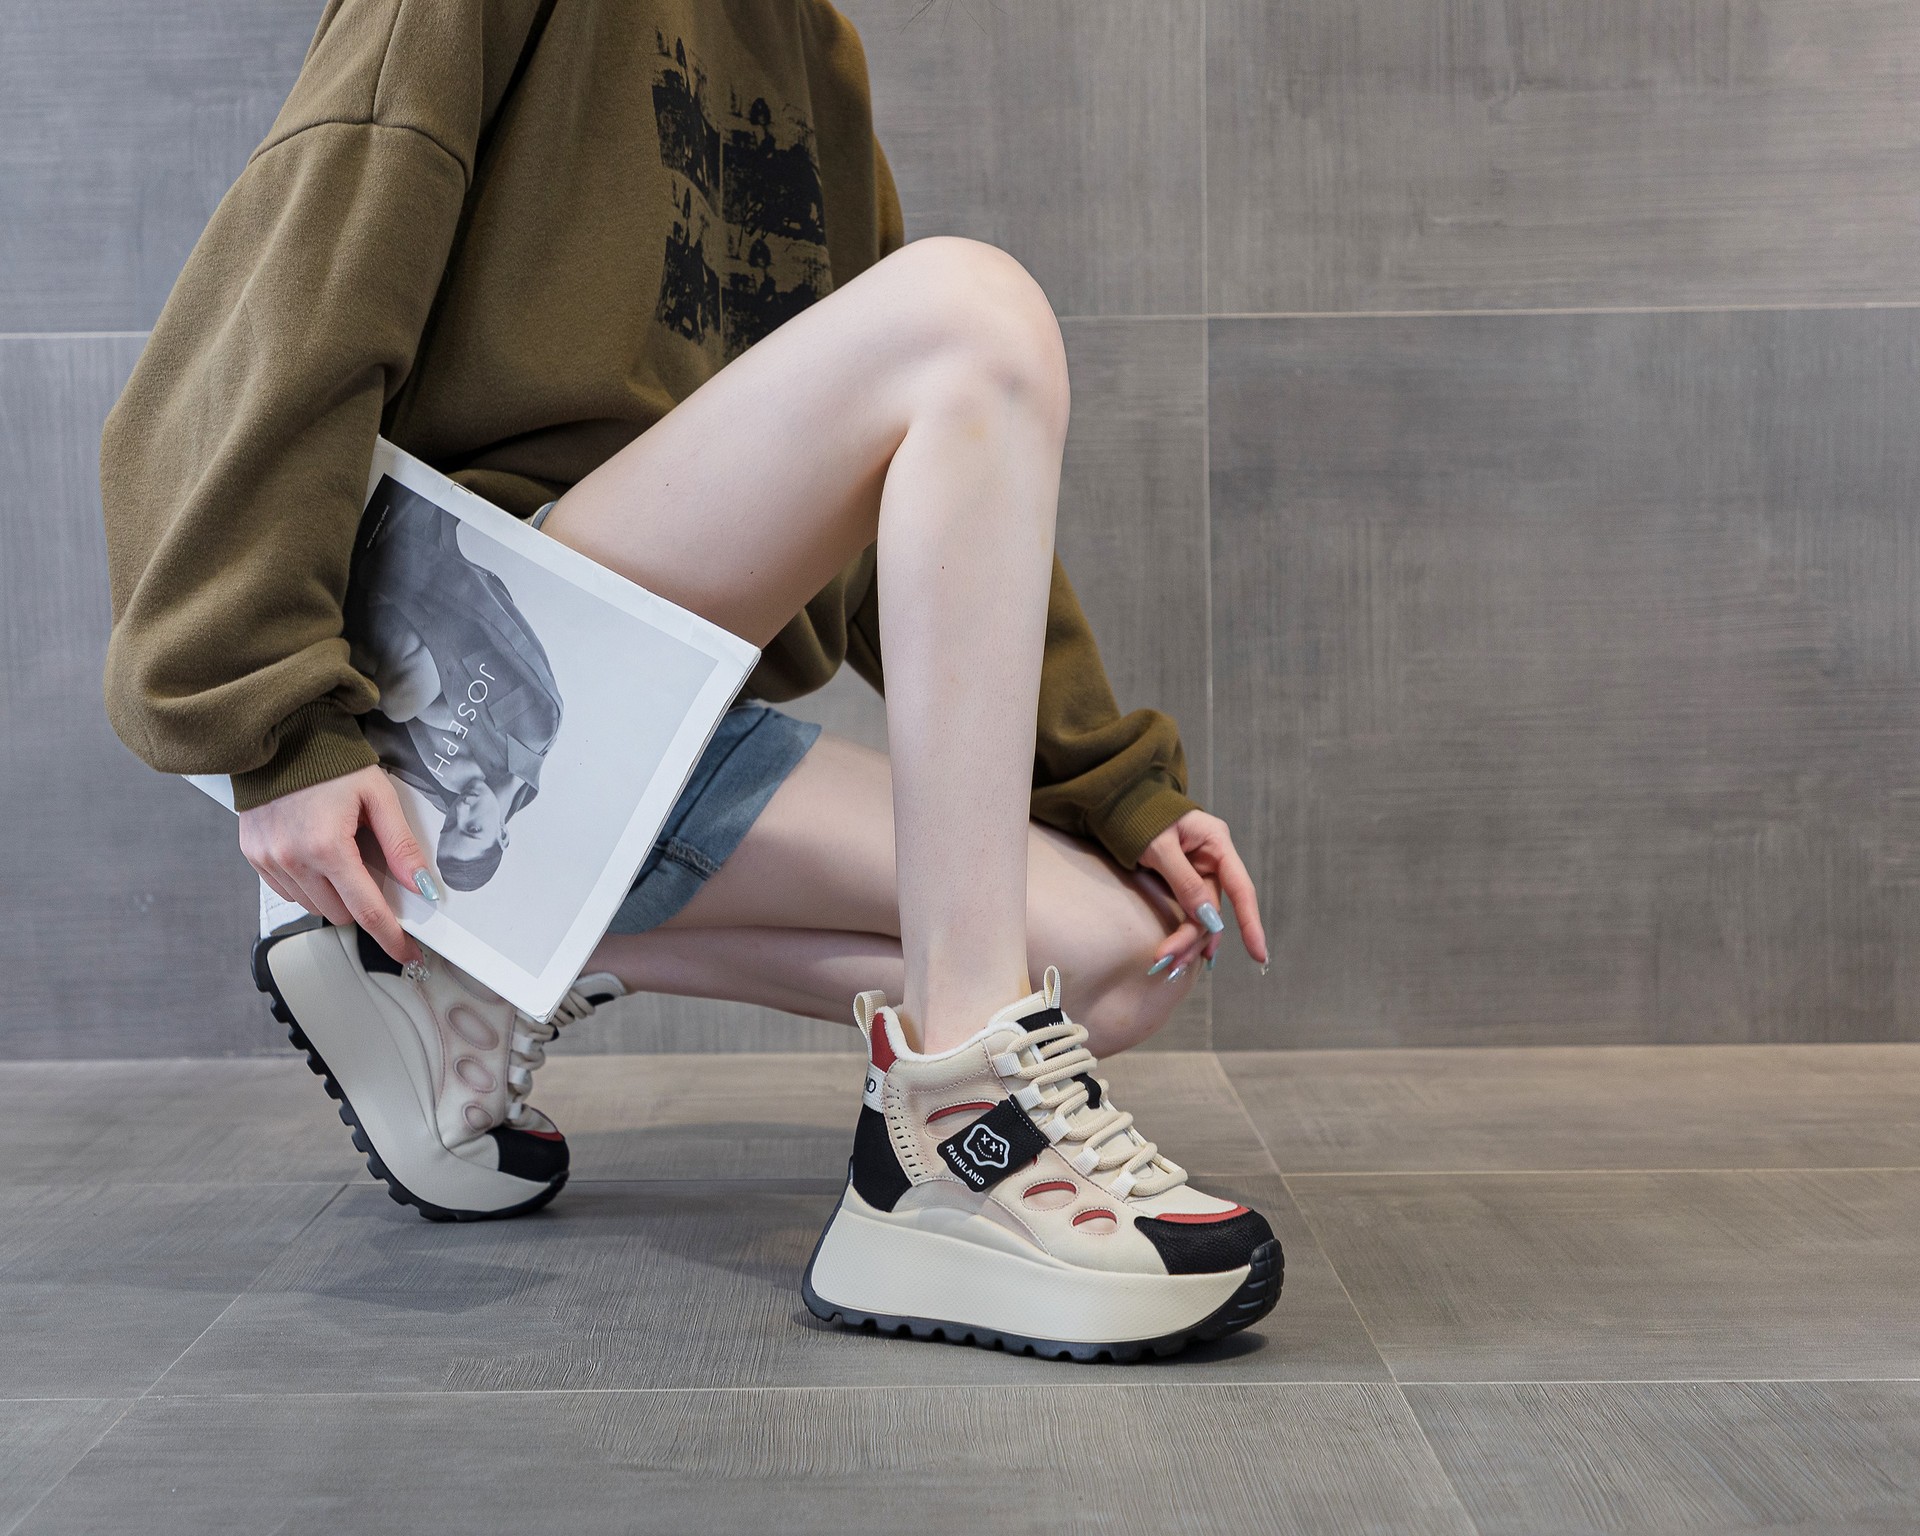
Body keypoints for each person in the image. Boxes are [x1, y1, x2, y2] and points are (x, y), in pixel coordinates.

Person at [98, 0, 1278, 1360]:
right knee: (969, 316)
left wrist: (1113, 785)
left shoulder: (809, 46)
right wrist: (277, 723)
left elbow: (933, 482)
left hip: (637, 722)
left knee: (1121, 959)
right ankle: (952, 1144)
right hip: (454, 688)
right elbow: (281, 298)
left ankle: (454, 964)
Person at [347, 478, 563, 891]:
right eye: (473, 829)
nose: (461, 813)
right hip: (418, 583)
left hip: (357, 632)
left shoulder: (434, 786)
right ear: (503, 835)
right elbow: (488, 618)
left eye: (448, 826)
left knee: (392, 700)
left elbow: (365, 733)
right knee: (401, 700)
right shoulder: (537, 726)